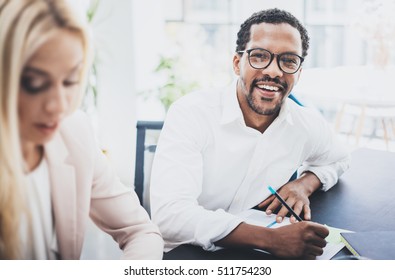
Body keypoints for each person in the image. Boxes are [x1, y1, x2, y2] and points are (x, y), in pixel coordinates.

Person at [150, 8, 350, 259]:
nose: (274, 71)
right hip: (188, 253)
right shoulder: (191, 114)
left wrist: (304, 184)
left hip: (255, 255)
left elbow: (340, 158)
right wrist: (271, 239)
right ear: (237, 63)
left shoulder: (304, 123)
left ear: (298, 73)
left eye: (288, 61)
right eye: (259, 56)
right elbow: (170, 216)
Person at [0, 0, 163, 260]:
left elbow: (140, 231)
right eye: (35, 83)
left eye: (70, 81)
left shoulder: (73, 132)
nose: (58, 106)